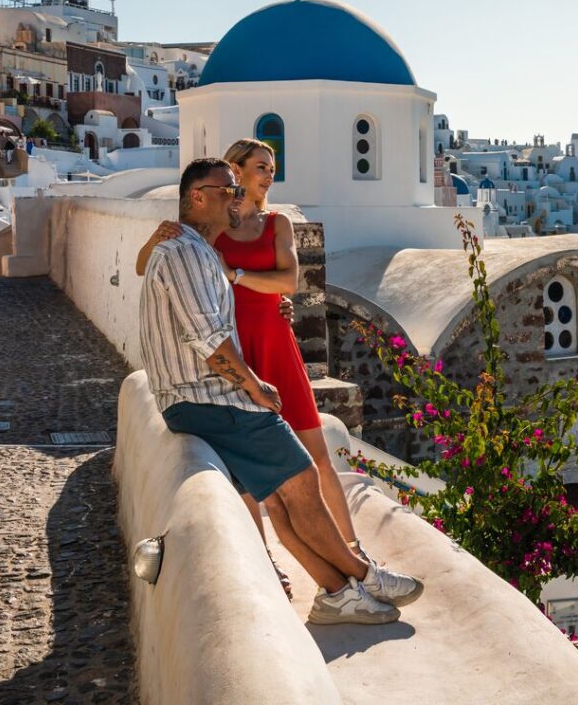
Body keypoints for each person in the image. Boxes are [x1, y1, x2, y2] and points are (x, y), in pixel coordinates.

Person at [138, 157, 422, 624]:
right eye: (226, 189)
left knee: (281, 496)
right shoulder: (186, 252)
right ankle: (363, 574)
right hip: (209, 397)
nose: (235, 196)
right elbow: (207, 338)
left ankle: (335, 592)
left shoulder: (197, 251)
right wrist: (254, 386)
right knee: (303, 480)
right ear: (197, 197)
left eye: (236, 188)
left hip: (201, 396)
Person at [137, 138, 366, 563]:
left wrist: (236, 274)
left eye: (271, 167)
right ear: (234, 171)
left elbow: (288, 283)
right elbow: (150, 266)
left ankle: (354, 549)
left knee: (314, 453)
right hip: (230, 344)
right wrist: (155, 239)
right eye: (260, 166)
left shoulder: (276, 223)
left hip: (271, 339)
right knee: (245, 472)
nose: (268, 174)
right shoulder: (211, 224)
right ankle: (266, 562)